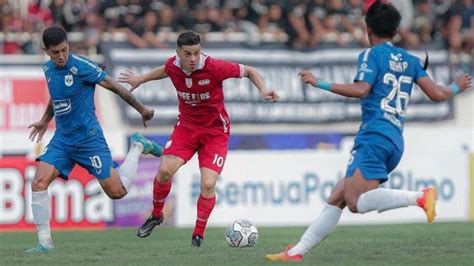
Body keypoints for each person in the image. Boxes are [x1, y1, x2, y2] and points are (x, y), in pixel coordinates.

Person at [266, 1, 472, 262]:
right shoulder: (410, 60)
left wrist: (321, 82)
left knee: (355, 202)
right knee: (339, 196)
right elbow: (437, 93)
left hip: (374, 135)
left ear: (368, 28)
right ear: (396, 31)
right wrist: (455, 87)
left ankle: (420, 197)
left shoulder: (371, 55)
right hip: (395, 139)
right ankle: (297, 251)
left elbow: (362, 89)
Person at [118, 30, 280, 247]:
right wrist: (141, 79)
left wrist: (263, 90)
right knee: (164, 171)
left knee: (208, 184)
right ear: (178, 53)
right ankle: (156, 215)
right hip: (186, 128)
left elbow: (250, 71)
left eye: (196, 53)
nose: (193, 59)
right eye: (188, 54)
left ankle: (198, 234)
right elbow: (164, 70)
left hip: (215, 132)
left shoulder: (214, 67)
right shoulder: (173, 65)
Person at [26, 26, 163, 254]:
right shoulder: (48, 68)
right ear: (46, 51)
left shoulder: (82, 66)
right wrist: (43, 120)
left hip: (89, 140)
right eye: (55, 53)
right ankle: (45, 243)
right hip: (63, 140)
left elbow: (116, 88)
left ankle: (138, 146)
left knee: (118, 192)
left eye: (64, 50)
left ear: (68, 45)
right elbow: (56, 96)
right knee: (38, 183)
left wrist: (142, 109)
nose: (61, 57)